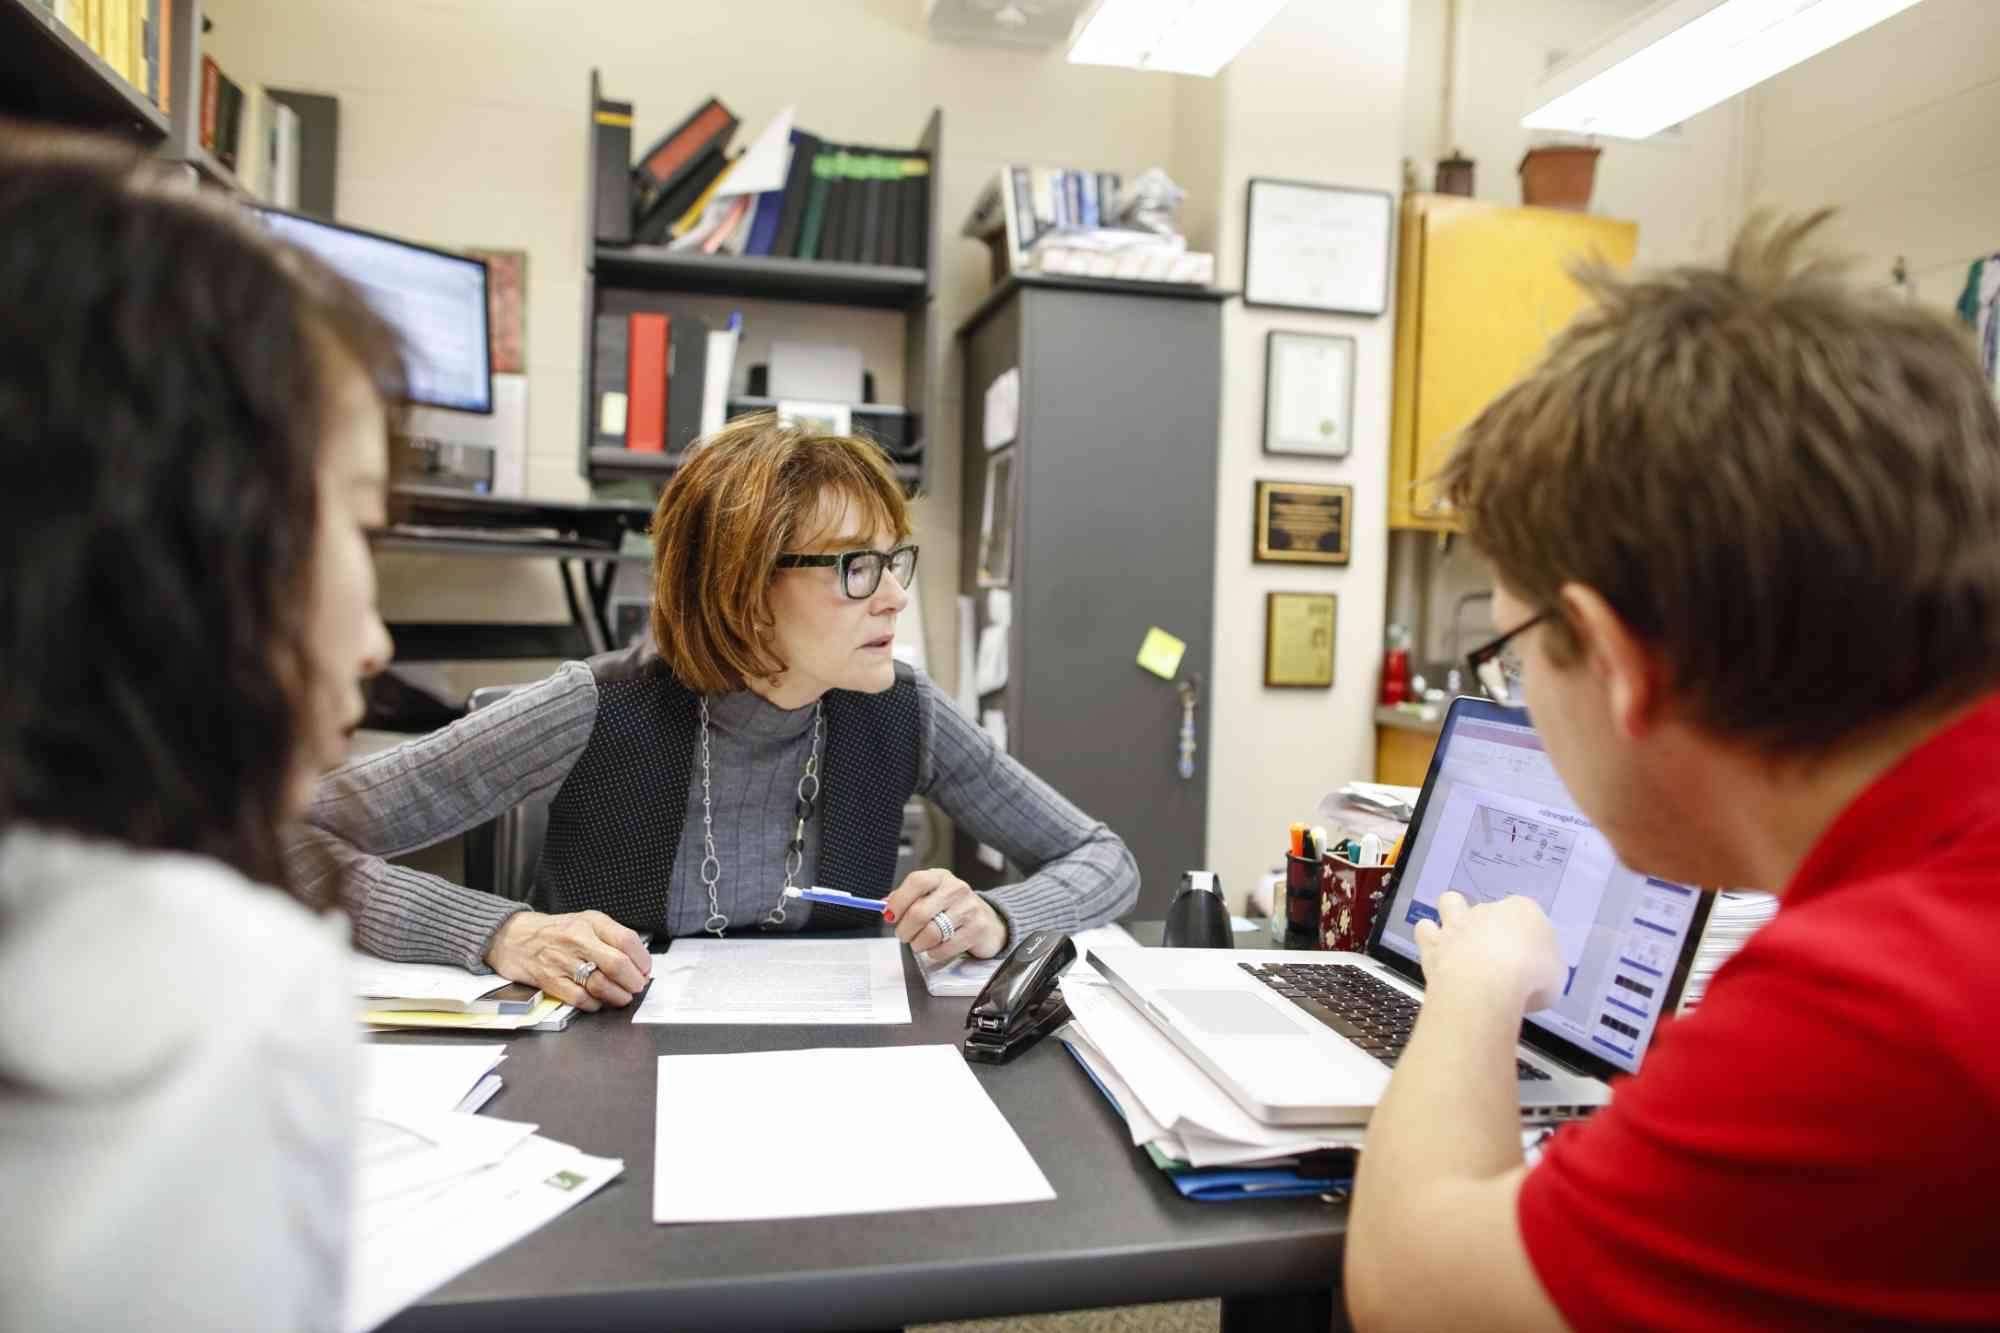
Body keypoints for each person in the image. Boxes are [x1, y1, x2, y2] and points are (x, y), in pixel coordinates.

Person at [1344, 212, 2000, 1330]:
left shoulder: (1870, 1014)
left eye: (1506, 654)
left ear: (1611, 660)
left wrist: (1471, 984)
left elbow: (1418, 1292)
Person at [288, 415, 1139, 1009]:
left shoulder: (901, 708)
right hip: (604, 1079)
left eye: (894, 562)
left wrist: (1001, 914)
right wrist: (500, 931)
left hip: (840, 1074)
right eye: (852, 568)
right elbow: (281, 837)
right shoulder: (595, 707)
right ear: (742, 587)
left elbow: (1106, 860)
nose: (892, 598)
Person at [0, 130, 399, 1330]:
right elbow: (363, 807)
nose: (378, 640)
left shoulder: (897, 711)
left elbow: (1007, 844)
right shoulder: (217, 995)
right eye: (363, 527)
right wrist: (500, 927)